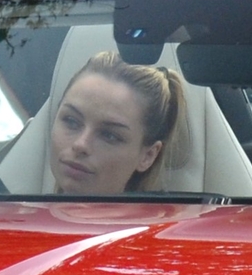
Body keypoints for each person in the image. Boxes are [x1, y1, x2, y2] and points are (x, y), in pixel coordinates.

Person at [49, 52, 183, 195]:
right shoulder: (23, 208)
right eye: (71, 121)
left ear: (148, 156)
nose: (80, 144)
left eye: (109, 135)